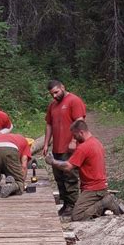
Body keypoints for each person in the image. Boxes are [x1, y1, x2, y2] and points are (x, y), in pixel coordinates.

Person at [45, 118, 124, 221]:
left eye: (75, 136)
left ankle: (105, 203)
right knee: (84, 208)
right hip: (100, 186)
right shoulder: (97, 142)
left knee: (77, 216)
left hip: (93, 189)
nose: (74, 138)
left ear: (81, 132)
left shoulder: (83, 148)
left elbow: (68, 167)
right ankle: (103, 203)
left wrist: (53, 162)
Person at [43, 80, 87, 217]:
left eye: (56, 92)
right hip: (57, 147)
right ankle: (65, 204)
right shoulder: (53, 105)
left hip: (69, 147)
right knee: (59, 177)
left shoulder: (74, 101)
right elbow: (49, 125)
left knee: (70, 176)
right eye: (52, 94)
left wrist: (74, 141)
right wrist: (45, 144)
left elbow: (80, 121)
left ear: (63, 87)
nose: (54, 96)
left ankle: (73, 205)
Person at [0, 133, 32, 198]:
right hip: (11, 149)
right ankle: (13, 185)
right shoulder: (25, 142)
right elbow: (24, 165)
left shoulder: (1, 136)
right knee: (19, 183)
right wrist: (22, 182)